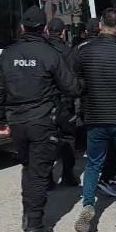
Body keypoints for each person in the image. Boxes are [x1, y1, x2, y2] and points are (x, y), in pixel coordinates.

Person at [0, 6, 81, 232]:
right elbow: (71, 87)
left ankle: (28, 215)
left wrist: (0, 121)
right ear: (44, 29)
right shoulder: (50, 54)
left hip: (17, 122)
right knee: (38, 173)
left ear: (22, 27)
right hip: (42, 121)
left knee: (28, 168)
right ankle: (34, 225)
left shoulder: (7, 54)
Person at [74, 8, 116, 232]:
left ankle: (88, 204)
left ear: (100, 24)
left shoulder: (84, 50)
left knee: (93, 163)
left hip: (95, 116)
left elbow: (76, 83)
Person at [46, 18, 80, 186]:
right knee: (68, 138)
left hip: (47, 103)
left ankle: (48, 177)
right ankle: (67, 174)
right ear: (63, 32)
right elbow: (74, 78)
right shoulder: (69, 52)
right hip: (66, 103)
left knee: (48, 140)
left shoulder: (43, 50)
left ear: (47, 31)